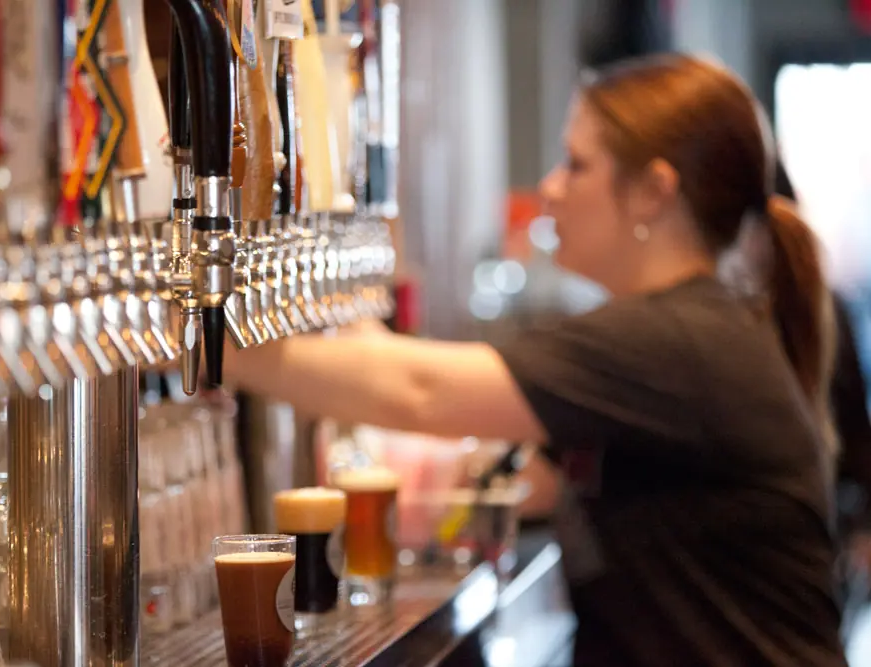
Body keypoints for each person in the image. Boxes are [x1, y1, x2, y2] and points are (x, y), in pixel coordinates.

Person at [226, 54, 847, 666]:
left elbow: (421, 392)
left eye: (576, 164)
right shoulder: (688, 332)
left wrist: (203, 340)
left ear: (654, 192)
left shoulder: (675, 340)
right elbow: (515, 477)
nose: (549, 187)